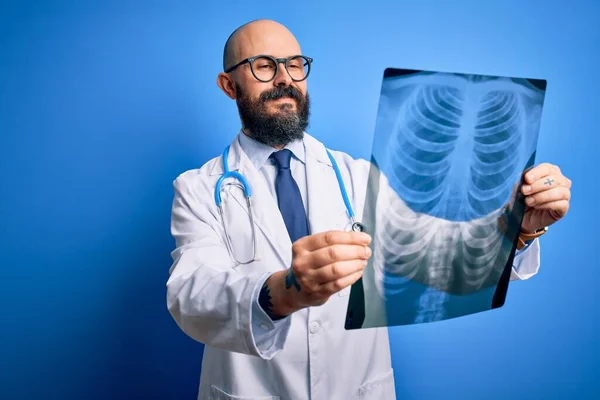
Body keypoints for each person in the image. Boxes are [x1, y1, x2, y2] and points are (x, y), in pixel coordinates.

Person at [166, 19, 572, 400]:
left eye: (294, 64)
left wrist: (516, 228)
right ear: (228, 85)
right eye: (264, 66)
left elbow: (439, 257)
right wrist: (287, 291)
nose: (286, 78)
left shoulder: (356, 177)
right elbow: (190, 294)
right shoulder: (199, 189)